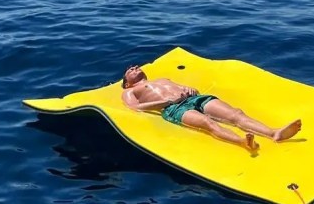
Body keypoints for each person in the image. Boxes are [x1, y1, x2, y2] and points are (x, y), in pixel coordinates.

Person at [120, 64, 302, 153]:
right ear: (127, 83)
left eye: (136, 66)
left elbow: (184, 88)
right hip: (173, 108)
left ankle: (274, 133)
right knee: (207, 123)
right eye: (130, 69)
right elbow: (135, 108)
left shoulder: (162, 79)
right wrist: (165, 102)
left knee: (235, 114)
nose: (135, 67)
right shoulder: (130, 92)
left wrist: (189, 89)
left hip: (193, 98)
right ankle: (242, 143)